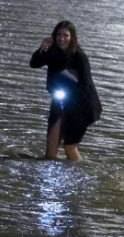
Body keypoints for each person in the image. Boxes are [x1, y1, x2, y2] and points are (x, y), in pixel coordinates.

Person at [29, 20, 102, 160]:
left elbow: (86, 85)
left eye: (66, 35)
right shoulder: (52, 53)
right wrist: (43, 47)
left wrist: (72, 102)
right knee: (50, 153)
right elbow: (34, 64)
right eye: (59, 35)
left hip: (81, 107)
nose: (62, 38)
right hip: (59, 102)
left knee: (69, 147)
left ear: (72, 37)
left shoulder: (80, 57)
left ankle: (79, 174)